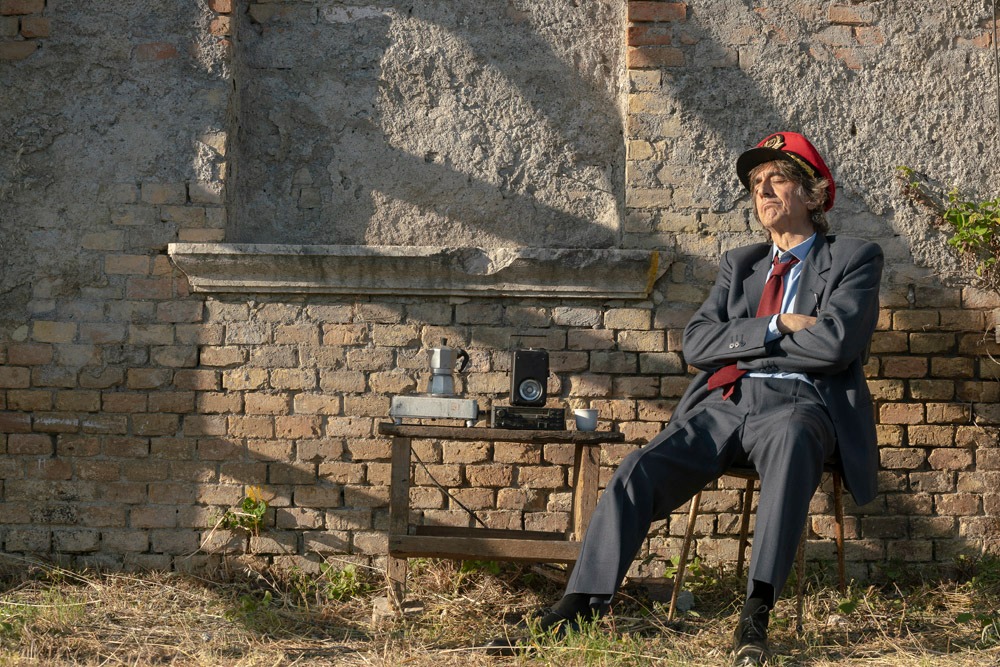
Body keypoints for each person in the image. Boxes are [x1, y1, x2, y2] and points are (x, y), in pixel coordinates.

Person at [487, 132, 883, 666]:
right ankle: (578, 604)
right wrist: (779, 326)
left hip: (799, 405)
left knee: (791, 443)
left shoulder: (854, 258)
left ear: (813, 195)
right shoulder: (741, 264)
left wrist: (740, 346)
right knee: (639, 468)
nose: (763, 191)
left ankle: (755, 616)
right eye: (756, 184)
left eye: (778, 179)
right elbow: (696, 345)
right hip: (726, 403)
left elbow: (835, 345)